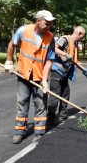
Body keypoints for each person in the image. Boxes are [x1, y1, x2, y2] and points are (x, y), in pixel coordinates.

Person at [4, 10, 56, 144]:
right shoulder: (23, 30)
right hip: (23, 74)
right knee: (22, 103)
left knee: (40, 104)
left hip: (39, 76)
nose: (48, 26)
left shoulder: (50, 37)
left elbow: (49, 61)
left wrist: (45, 80)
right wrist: (9, 62)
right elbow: (12, 45)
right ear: (38, 20)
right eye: (46, 23)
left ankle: (39, 132)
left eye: (50, 23)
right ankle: (19, 132)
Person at [46, 26, 87, 125]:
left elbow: (73, 61)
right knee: (55, 95)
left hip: (64, 73)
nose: (82, 39)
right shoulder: (64, 39)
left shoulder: (73, 44)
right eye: (82, 36)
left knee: (65, 94)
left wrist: (83, 70)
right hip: (56, 71)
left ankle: (62, 116)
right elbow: (54, 48)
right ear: (79, 33)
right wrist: (65, 54)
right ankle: (50, 118)